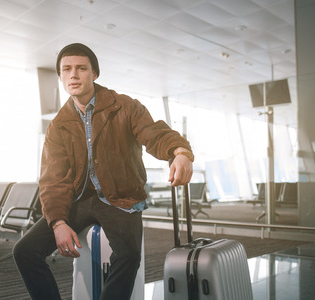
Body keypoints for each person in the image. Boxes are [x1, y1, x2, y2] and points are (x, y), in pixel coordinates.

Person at [13, 43, 194, 300]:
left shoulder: (124, 106)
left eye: (81, 68)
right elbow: (53, 179)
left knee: (129, 254)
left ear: (94, 74)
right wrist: (59, 222)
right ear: (61, 77)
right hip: (79, 199)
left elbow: (154, 134)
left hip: (120, 197)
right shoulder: (59, 125)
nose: (73, 75)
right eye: (67, 69)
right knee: (24, 251)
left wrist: (179, 152)